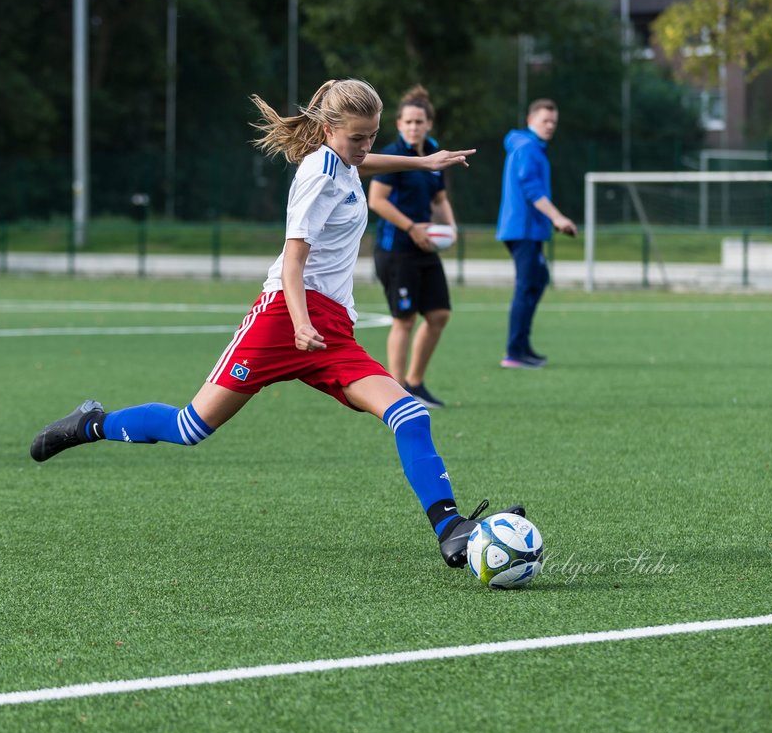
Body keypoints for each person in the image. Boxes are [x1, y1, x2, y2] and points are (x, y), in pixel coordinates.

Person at [31, 78, 523, 568]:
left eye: (372, 135)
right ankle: (90, 425)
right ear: (329, 129)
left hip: (330, 330)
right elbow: (293, 261)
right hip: (283, 320)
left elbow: (361, 163)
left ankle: (451, 529)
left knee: (410, 414)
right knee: (189, 427)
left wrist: (423, 162)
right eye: (358, 137)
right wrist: (301, 322)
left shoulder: (345, 160)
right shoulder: (316, 175)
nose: (367, 146)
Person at [367, 85, 458, 409]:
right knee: (403, 320)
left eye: (419, 122)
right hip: (396, 250)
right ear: (399, 125)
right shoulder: (394, 156)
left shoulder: (432, 153)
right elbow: (375, 201)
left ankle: (416, 383)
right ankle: (397, 391)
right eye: (408, 122)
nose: (413, 127)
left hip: (425, 250)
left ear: (429, 124)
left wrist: (450, 226)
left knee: (439, 314)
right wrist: (410, 227)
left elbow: (439, 198)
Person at [496, 98, 577, 369]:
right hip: (523, 229)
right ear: (531, 121)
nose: (550, 126)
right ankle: (513, 352)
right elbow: (531, 189)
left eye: (554, 121)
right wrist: (557, 217)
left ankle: (522, 347)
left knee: (538, 279)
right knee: (526, 285)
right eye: (545, 120)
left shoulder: (529, 146)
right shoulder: (528, 147)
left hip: (527, 229)